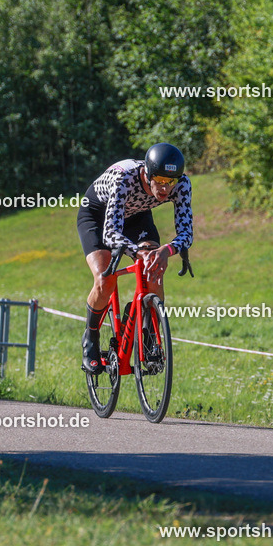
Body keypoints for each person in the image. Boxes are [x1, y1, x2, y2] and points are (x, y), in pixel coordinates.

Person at [75, 142, 193, 373]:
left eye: (171, 182)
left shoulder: (182, 184)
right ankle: (90, 337)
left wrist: (166, 251)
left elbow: (186, 232)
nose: (165, 188)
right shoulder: (125, 177)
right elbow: (110, 233)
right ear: (147, 173)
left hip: (137, 216)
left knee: (154, 269)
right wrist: (138, 252)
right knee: (105, 279)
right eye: (159, 180)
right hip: (97, 216)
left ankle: (148, 330)